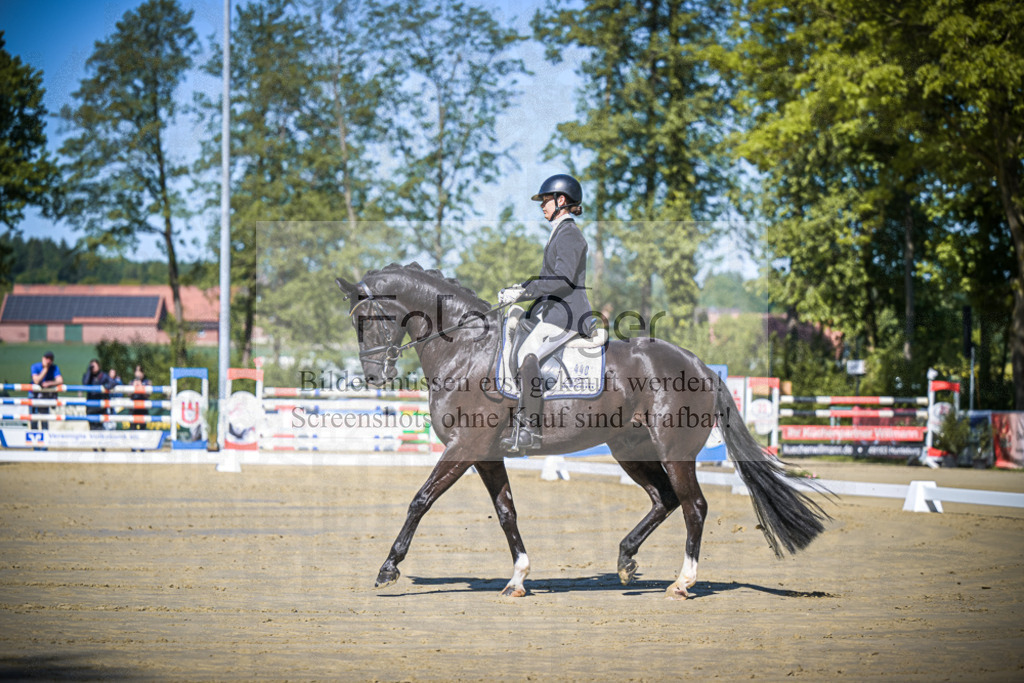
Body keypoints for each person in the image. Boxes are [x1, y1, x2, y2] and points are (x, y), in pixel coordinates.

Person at [497, 173, 594, 451]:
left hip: (567, 316)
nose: (542, 205)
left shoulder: (570, 234)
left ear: (561, 200)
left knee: (529, 357)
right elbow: (548, 279)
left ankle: (530, 429)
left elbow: (562, 280)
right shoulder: (558, 233)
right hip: (553, 313)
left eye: (546, 200)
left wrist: (524, 291)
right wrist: (521, 289)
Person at [29, 351, 63, 430]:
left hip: (45, 395)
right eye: (47, 358)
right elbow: (36, 381)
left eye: (51, 359)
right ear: (43, 359)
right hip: (34, 394)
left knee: (44, 419)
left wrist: (50, 383)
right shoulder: (35, 366)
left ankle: (44, 438)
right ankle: (34, 437)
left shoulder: (54, 368)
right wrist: (45, 369)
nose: (49, 361)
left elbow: (60, 380)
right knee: (34, 419)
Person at [81, 359, 114, 431]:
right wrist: (89, 371)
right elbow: (85, 384)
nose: (92, 368)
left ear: (99, 366)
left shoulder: (103, 376)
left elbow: (112, 382)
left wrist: (107, 386)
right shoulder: (87, 376)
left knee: (100, 428)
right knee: (92, 427)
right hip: (90, 407)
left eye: (94, 366)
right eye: (91, 366)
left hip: (100, 407)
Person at [130, 365, 152, 431]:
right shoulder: (131, 382)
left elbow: (148, 395)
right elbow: (129, 395)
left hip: (143, 408)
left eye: (140, 371)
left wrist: (140, 386)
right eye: (137, 371)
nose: (138, 373)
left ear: (143, 373)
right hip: (133, 408)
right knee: (132, 428)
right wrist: (133, 387)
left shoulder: (147, 382)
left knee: (143, 428)